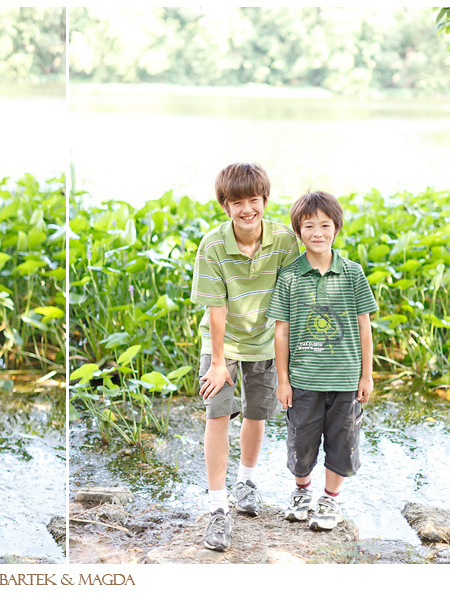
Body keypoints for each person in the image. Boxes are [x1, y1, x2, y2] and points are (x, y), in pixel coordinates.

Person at [190, 162, 300, 551]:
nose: (247, 209)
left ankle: (246, 482)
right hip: (223, 344)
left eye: (254, 200)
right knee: (217, 414)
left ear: (265, 201)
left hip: (267, 344)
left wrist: (285, 363)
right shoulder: (213, 245)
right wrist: (219, 362)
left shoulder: (286, 241)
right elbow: (215, 309)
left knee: (257, 413)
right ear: (225, 206)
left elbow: (288, 304)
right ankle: (218, 508)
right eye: (237, 202)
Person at [266, 190, 377, 531]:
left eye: (325, 225)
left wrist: (366, 375)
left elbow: (364, 326)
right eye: (308, 225)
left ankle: (330, 499)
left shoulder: (353, 273)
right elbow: (281, 332)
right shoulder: (289, 276)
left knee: (343, 442)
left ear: (336, 228)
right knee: (301, 441)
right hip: (303, 380)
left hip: (345, 379)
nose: (317, 232)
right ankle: (301, 492)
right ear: (298, 231)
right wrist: (282, 380)